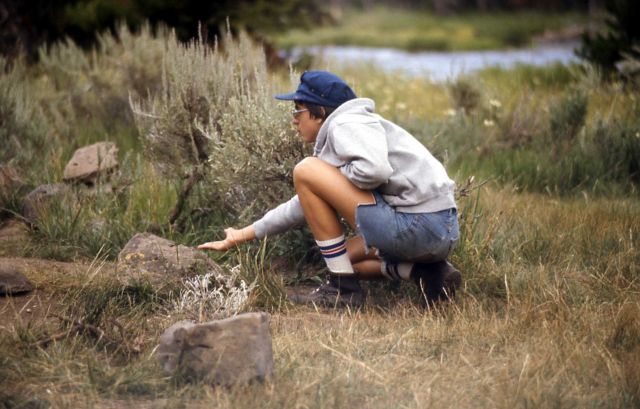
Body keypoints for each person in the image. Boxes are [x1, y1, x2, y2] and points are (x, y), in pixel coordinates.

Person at [198, 70, 461, 308]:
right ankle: (427, 274)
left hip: (418, 225)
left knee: (305, 168)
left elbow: (375, 170)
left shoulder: (345, 123)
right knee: (343, 260)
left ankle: (342, 292)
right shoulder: (358, 127)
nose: (294, 121)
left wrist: (334, 177)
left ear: (320, 111)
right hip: (440, 230)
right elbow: (300, 206)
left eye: (297, 110)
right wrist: (240, 235)